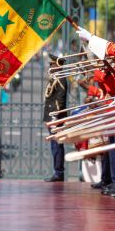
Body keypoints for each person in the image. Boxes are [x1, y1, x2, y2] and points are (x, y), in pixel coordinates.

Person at [43, 54, 67, 182]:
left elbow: (60, 100)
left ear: (58, 65)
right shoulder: (55, 77)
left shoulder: (61, 78)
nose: (50, 67)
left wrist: (55, 117)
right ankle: (57, 171)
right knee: (54, 146)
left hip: (56, 118)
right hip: (52, 117)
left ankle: (59, 172)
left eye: (52, 65)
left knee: (57, 146)